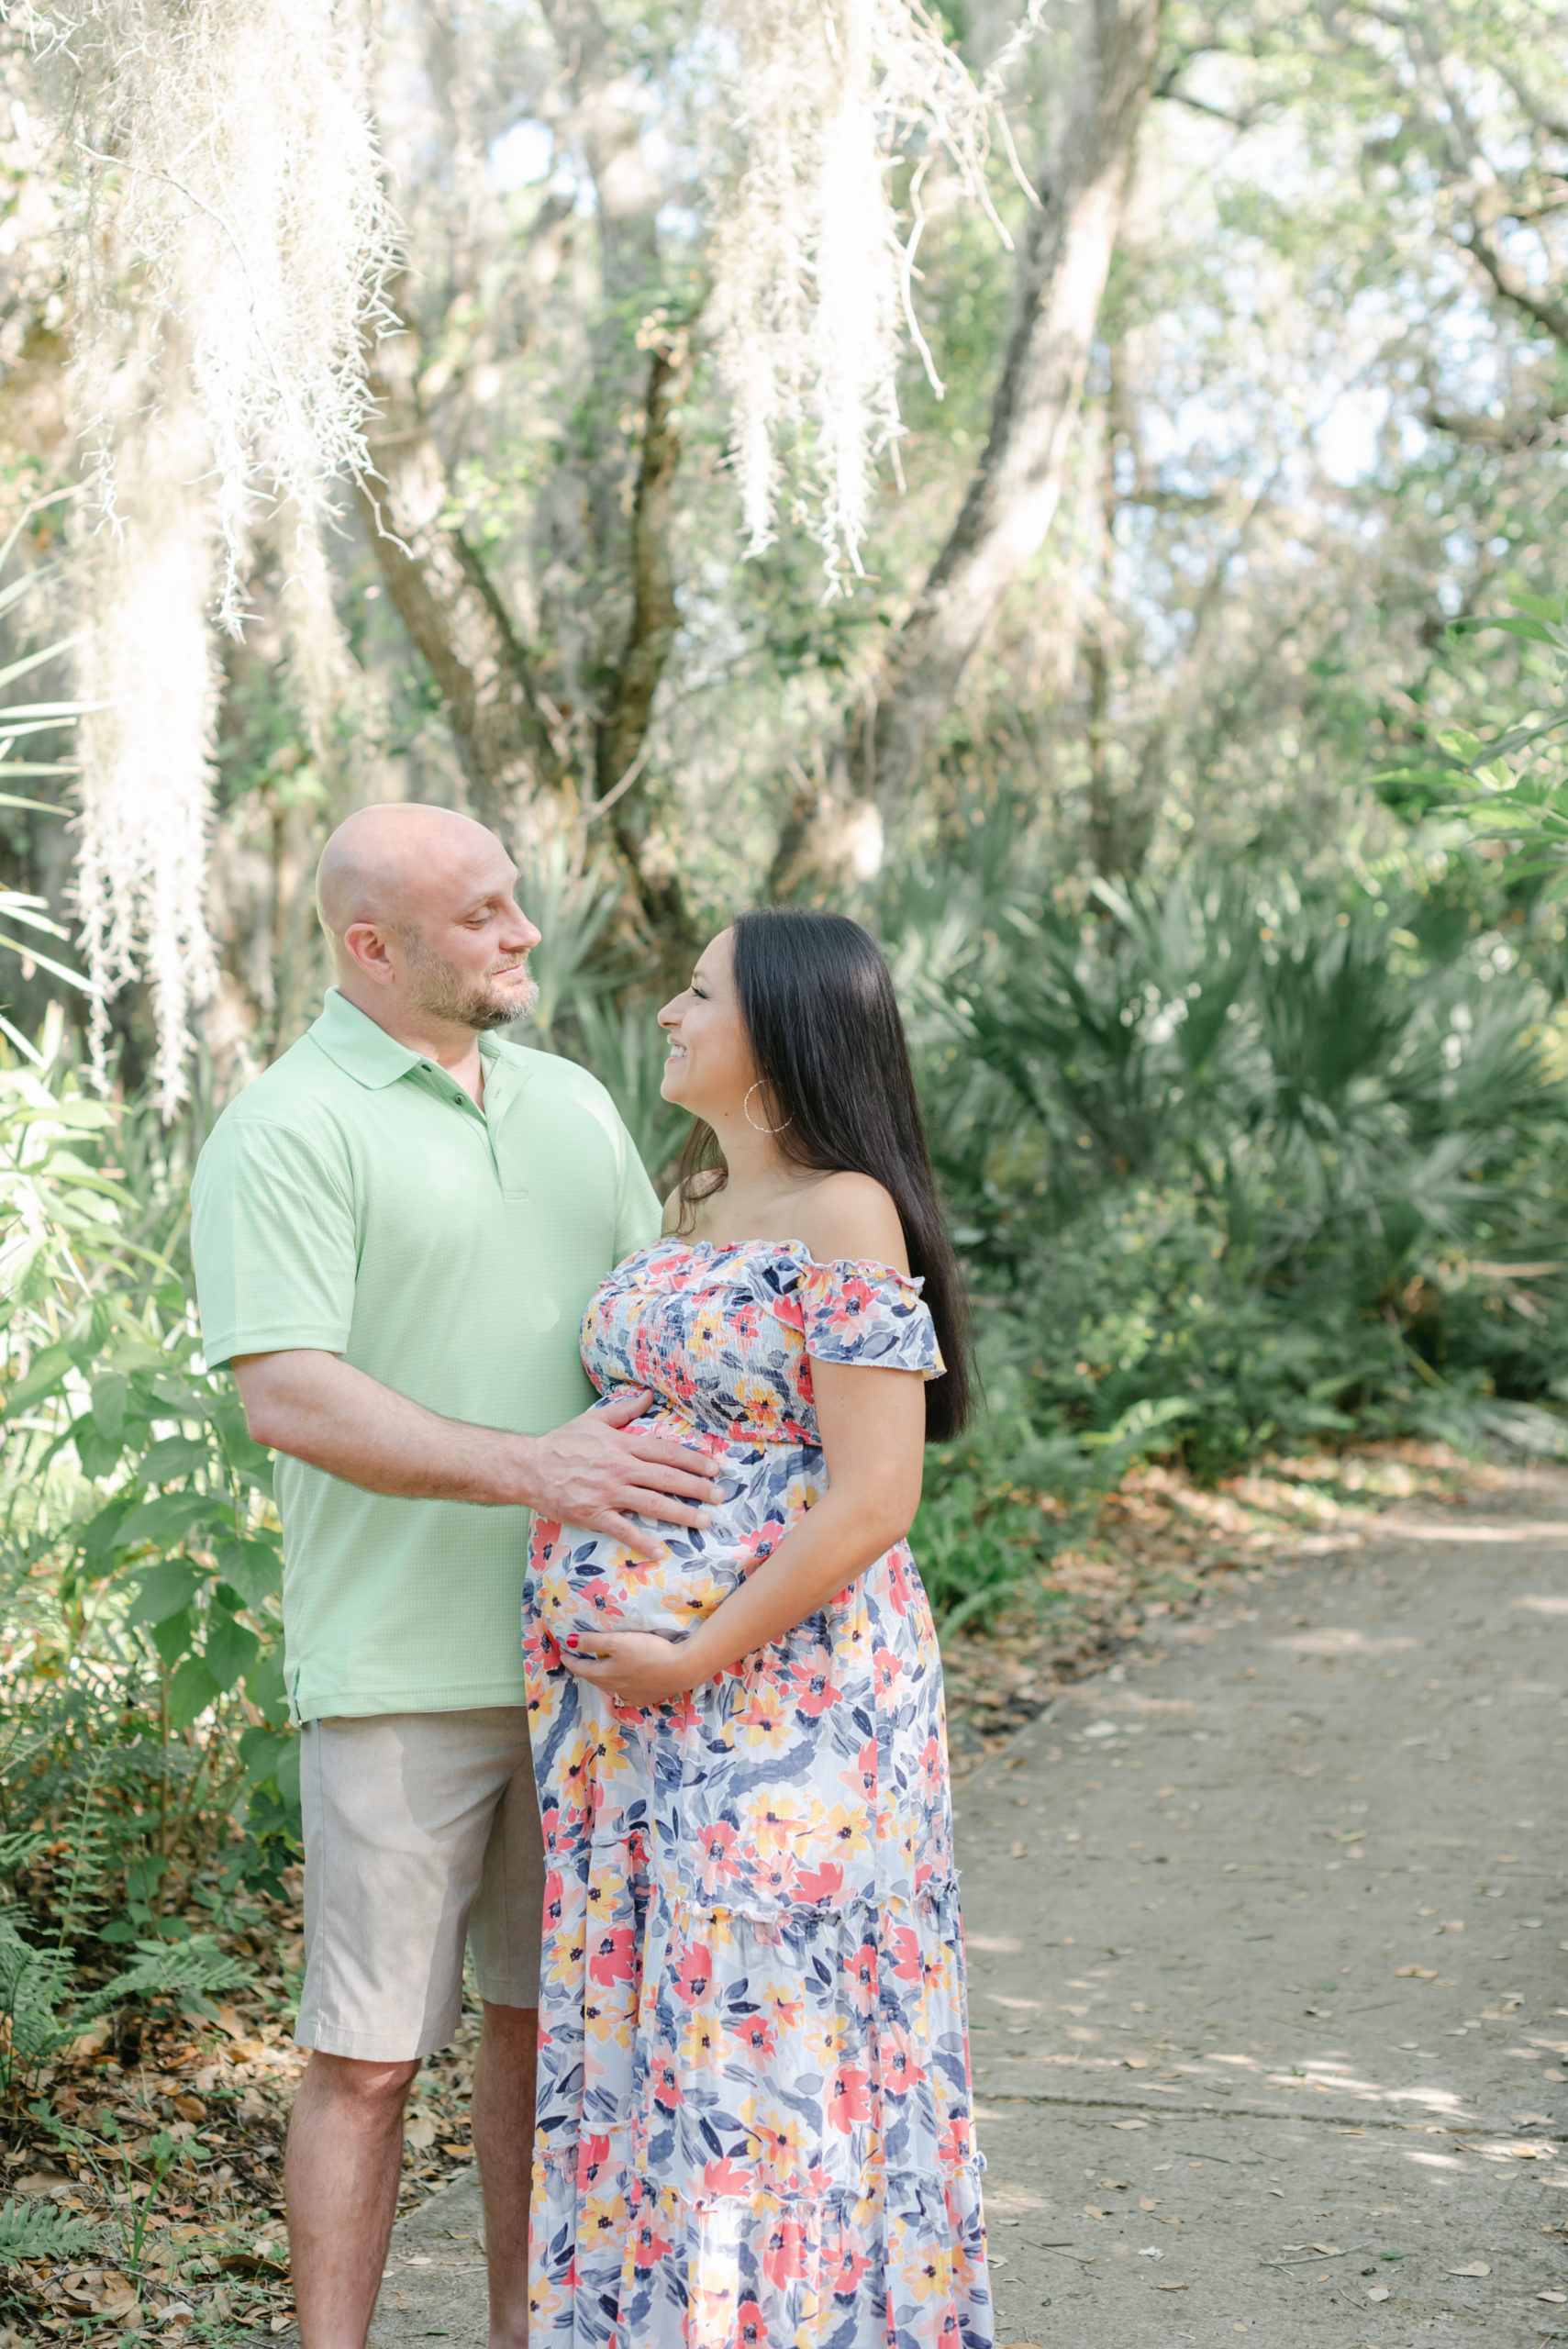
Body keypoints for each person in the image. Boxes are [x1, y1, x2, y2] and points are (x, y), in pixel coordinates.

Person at [189, 803, 721, 2349]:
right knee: (364, 2061)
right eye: (480, 913)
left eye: (512, 903)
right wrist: (533, 1466)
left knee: (547, 2038)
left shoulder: (567, 1102)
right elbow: (288, 1393)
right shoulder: (284, 1129)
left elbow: (649, 1340)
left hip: (596, 1661)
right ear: (373, 948)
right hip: (399, 1675)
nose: (520, 934)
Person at [523, 908, 994, 2349]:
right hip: (630, 1733)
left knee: (755, 2052)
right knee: (654, 2039)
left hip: (779, 1713)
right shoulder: (697, 1198)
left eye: (697, 990)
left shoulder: (845, 1207)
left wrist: (687, 1654)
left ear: (781, 1030)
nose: (667, 1009)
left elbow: (872, 1499)